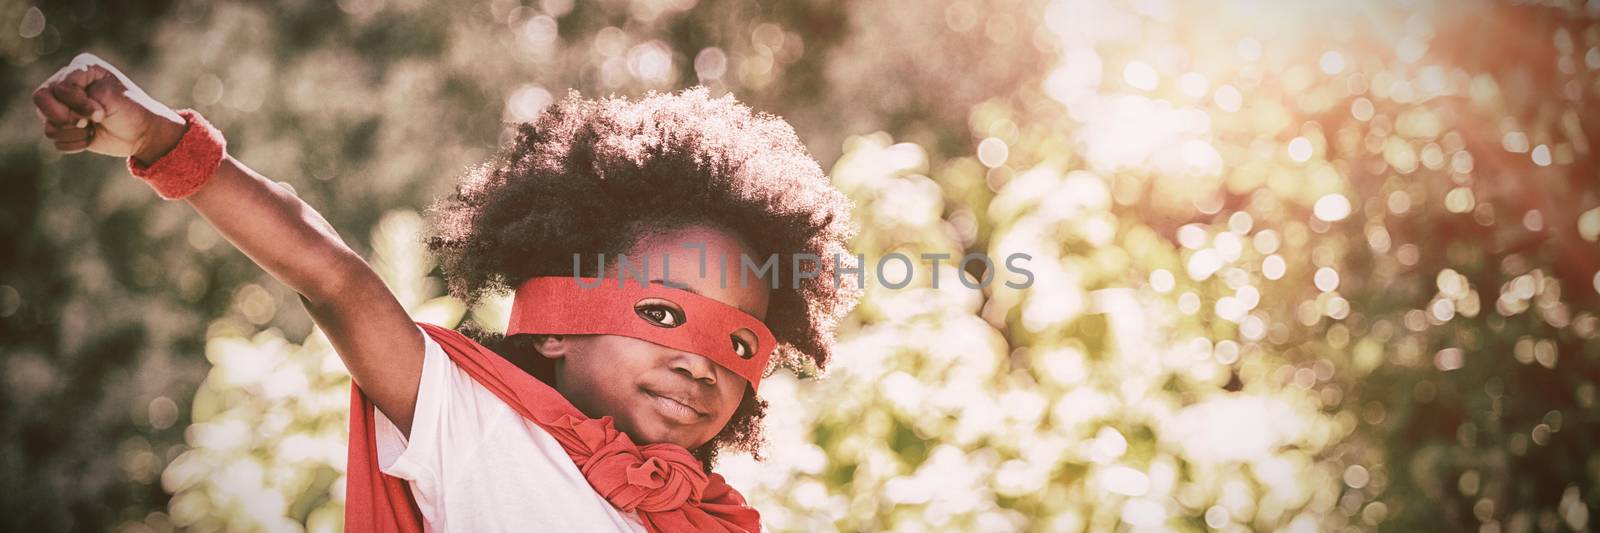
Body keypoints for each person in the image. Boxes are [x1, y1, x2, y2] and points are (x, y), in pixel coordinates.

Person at [32, 52, 861, 532]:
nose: (698, 363)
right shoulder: (471, 424)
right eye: (661, 313)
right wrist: (168, 142)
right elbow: (330, 274)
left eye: (738, 345)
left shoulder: (712, 520)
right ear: (557, 322)